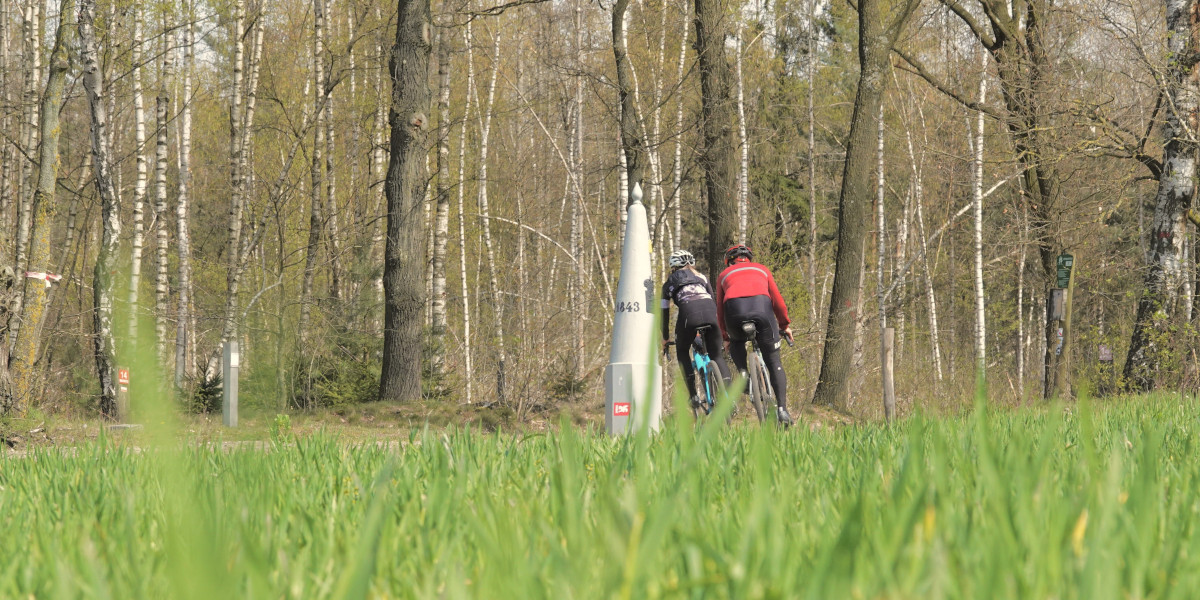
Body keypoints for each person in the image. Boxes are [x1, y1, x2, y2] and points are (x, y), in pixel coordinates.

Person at [715, 244, 795, 426]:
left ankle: (743, 373)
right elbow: (778, 301)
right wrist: (785, 325)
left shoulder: (723, 275)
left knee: (736, 342)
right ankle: (782, 410)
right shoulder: (762, 270)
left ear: (729, 261)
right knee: (774, 361)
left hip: (733, 311)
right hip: (762, 309)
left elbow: (719, 309)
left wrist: (725, 337)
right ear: (749, 259)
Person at [661, 249, 732, 409]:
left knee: (682, 351)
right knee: (717, 356)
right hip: (711, 313)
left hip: (688, 315)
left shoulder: (669, 283)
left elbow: (663, 312)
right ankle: (729, 398)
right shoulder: (702, 277)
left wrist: (665, 337)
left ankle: (693, 395)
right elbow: (713, 299)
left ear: (673, 267)